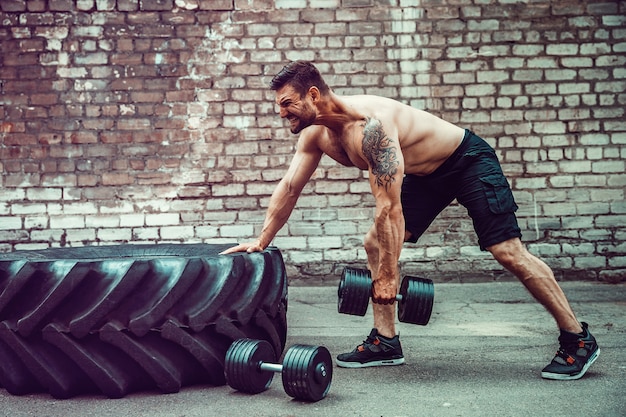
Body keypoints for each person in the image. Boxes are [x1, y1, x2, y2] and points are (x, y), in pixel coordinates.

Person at [221, 61, 599, 380]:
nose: (281, 112)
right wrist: (262, 239)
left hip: (467, 161)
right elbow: (289, 187)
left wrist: (387, 277)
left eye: (287, 104)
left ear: (313, 96)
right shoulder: (316, 136)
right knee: (374, 242)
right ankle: (385, 340)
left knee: (506, 251)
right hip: (425, 175)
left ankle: (577, 338)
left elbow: (389, 208)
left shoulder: (372, 128)